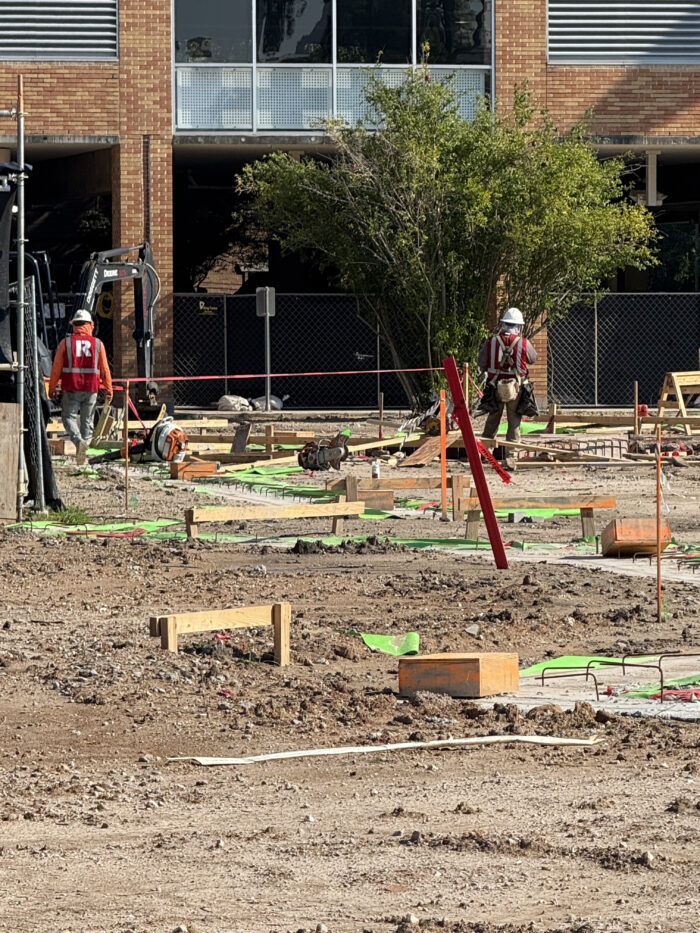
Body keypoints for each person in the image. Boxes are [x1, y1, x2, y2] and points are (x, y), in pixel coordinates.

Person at [48, 309, 113, 465]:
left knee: (68, 417)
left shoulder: (66, 343)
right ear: (89, 325)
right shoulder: (98, 344)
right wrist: (109, 388)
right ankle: (84, 455)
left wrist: (52, 387)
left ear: (74, 325)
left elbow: (56, 367)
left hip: (71, 387)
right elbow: (105, 368)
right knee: (87, 421)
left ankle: (78, 443)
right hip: (91, 388)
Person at [477, 307, 537, 445]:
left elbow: (481, 362)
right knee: (514, 421)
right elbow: (533, 358)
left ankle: (486, 453)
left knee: (492, 420)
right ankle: (511, 455)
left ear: (504, 324)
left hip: (495, 386)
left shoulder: (491, 341)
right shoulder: (523, 342)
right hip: (515, 388)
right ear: (518, 326)